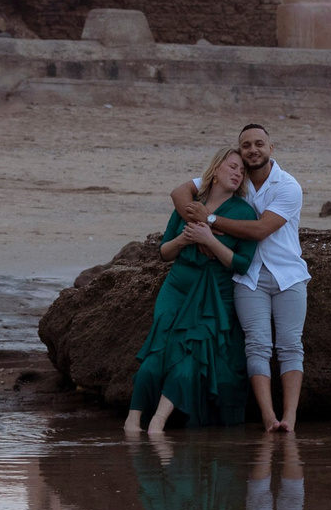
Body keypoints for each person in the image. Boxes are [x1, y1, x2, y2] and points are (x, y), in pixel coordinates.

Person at [180, 122, 308, 432]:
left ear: (270, 148)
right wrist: (199, 231)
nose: (253, 150)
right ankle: (267, 418)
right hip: (249, 277)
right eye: (246, 145)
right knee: (257, 346)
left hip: (288, 275)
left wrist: (209, 219)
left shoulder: (288, 186)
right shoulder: (234, 179)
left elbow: (261, 229)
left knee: (291, 346)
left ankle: (289, 418)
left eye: (259, 144)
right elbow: (180, 191)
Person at [125, 147, 259, 435]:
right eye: (232, 166)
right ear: (215, 170)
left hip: (213, 292)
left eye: (242, 171)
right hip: (178, 285)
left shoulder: (244, 212)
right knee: (156, 352)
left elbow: (242, 264)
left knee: (190, 356)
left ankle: (158, 423)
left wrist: (209, 240)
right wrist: (185, 241)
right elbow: (164, 251)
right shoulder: (190, 204)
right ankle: (133, 420)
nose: (237, 173)